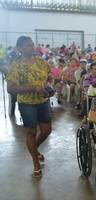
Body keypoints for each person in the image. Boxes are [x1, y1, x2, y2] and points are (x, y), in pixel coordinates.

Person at [6, 36, 53, 178]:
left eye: (32, 44)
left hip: (43, 101)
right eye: (28, 45)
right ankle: (35, 162)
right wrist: (33, 88)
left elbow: (49, 77)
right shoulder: (16, 66)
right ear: (20, 48)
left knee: (46, 130)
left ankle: (34, 150)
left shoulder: (41, 62)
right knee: (31, 132)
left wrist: (50, 85)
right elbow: (10, 88)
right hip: (26, 104)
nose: (32, 47)